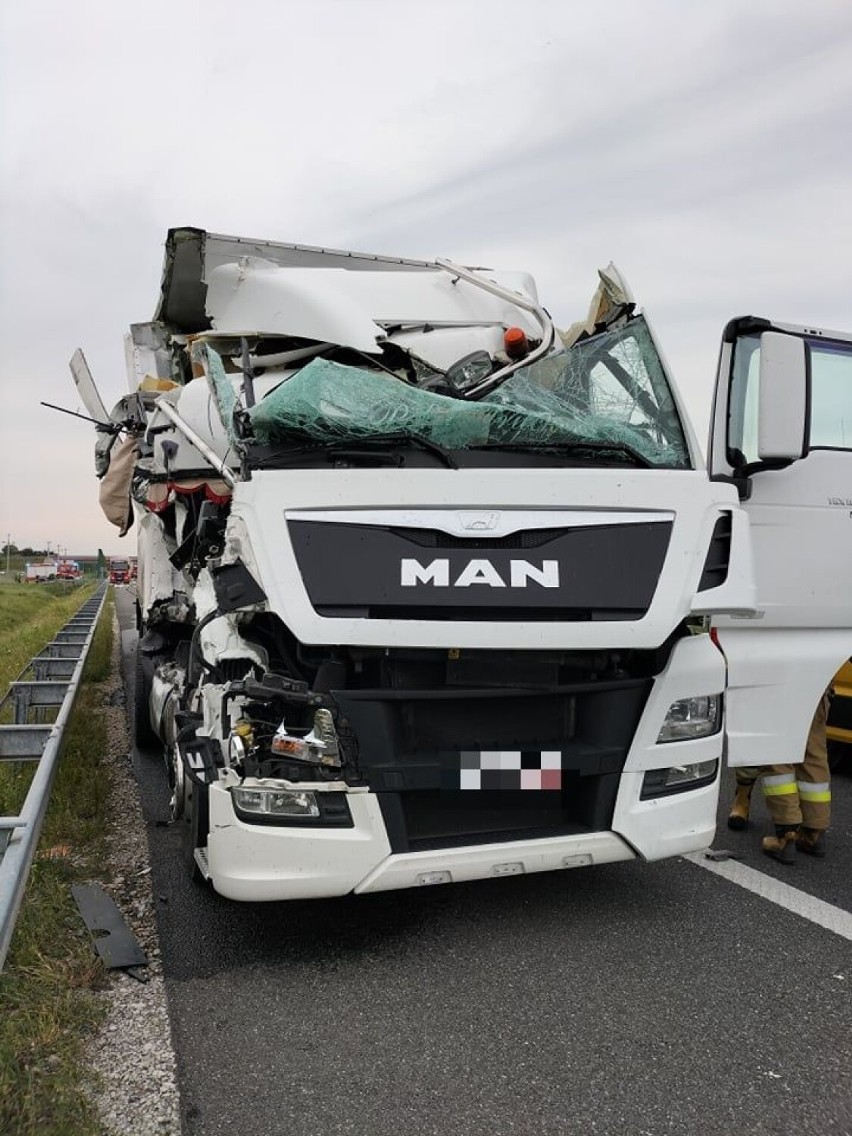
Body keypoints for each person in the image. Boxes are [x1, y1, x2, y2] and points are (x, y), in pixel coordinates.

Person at [726, 693, 830, 864]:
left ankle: (786, 835)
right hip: (816, 680)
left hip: (780, 679)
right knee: (812, 751)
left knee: (779, 753)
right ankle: (814, 832)